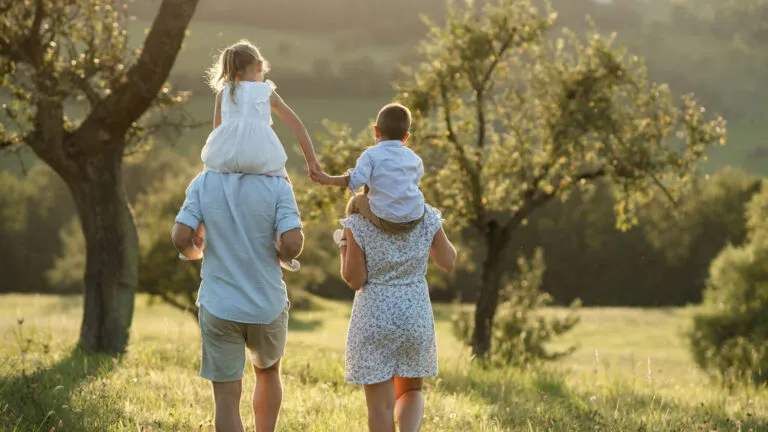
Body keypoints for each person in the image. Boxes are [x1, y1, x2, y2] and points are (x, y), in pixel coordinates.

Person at [172, 171, 304, 432]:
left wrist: (196, 250)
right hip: (266, 304)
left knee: (226, 398)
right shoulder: (278, 185)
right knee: (267, 372)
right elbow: (293, 242)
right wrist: (282, 254)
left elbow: (180, 238)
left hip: (219, 305)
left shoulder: (203, 181)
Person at [187, 39, 321, 271]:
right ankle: (284, 246)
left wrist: (213, 166)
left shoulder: (223, 93)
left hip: (226, 158)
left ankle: (199, 236)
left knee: (206, 186)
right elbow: (298, 127)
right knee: (285, 187)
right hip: (260, 157)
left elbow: (217, 134)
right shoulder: (266, 91)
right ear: (259, 66)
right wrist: (312, 164)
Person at [336, 200, 457, 431]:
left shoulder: (357, 223)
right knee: (411, 392)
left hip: (374, 318)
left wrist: (344, 246)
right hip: (414, 317)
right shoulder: (425, 215)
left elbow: (355, 279)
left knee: (380, 407)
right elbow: (448, 261)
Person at [314, 103, 425, 234]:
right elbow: (414, 183)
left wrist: (328, 179)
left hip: (387, 221)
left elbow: (355, 181)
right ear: (406, 137)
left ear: (376, 131)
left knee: (355, 202)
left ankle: (345, 241)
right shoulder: (415, 159)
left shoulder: (370, 155)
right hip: (415, 217)